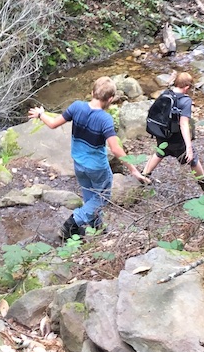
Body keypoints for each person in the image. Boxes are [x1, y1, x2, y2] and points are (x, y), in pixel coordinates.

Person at [28, 76, 148, 240]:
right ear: (110, 99)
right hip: (98, 167)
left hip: (79, 164)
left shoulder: (77, 107)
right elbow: (115, 148)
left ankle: (96, 225)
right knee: (102, 197)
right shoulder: (105, 119)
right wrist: (133, 169)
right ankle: (72, 223)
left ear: (92, 92)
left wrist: (41, 114)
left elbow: (53, 124)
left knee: (90, 195)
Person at [142, 71, 204, 192]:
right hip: (176, 138)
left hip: (162, 133)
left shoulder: (166, 93)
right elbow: (184, 124)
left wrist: (171, 79)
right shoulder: (185, 101)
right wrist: (189, 147)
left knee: (160, 152)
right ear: (186, 87)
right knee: (192, 159)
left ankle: (144, 175)